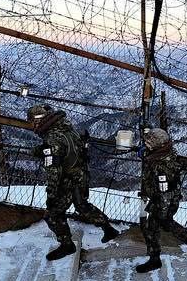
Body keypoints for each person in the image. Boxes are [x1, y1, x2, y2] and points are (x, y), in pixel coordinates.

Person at [27, 104, 119, 261]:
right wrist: (40, 150)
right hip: (81, 175)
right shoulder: (67, 128)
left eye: (31, 121)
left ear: (38, 121)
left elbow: (54, 170)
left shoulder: (52, 138)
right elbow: (68, 149)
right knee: (82, 206)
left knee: (53, 214)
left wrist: (53, 192)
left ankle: (67, 245)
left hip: (67, 180)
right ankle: (108, 229)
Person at [136, 128, 187, 273]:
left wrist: (160, 209)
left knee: (153, 227)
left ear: (158, 145)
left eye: (149, 143)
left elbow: (164, 191)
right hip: (165, 199)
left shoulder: (162, 167)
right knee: (166, 223)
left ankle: (155, 260)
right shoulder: (161, 154)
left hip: (163, 201)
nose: (146, 145)